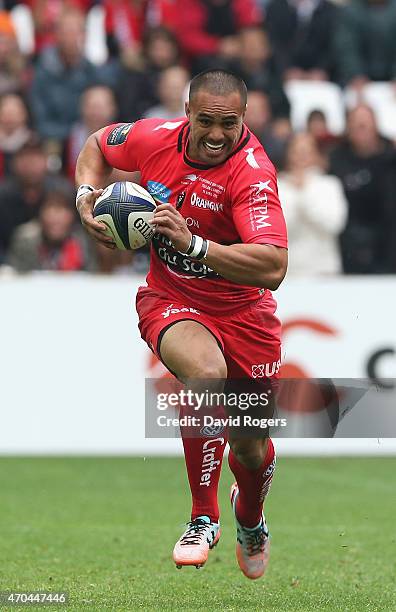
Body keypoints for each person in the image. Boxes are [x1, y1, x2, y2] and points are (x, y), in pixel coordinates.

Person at [75, 69, 288, 579]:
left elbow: (274, 267)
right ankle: (202, 514)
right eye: (206, 121)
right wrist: (86, 196)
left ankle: (250, 516)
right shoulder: (154, 138)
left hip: (245, 314)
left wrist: (193, 245)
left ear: (244, 119)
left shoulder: (252, 174)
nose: (217, 134)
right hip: (170, 299)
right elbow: (96, 144)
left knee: (250, 447)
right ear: (187, 113)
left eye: (229, 124)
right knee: (205, 373)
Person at [277, 132, 347, 275]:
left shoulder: (329, 184)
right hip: (289, 271)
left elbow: (334, 224)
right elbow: (277, 229)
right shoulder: (277, 185)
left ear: (316, 154)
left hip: (324, 269)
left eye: (307, 151)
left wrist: (304, 194)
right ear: (288, 154)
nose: (301, 157)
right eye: (296, 151)